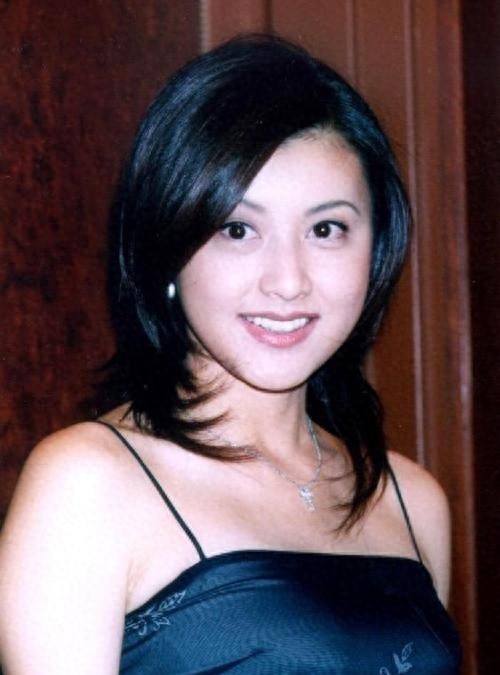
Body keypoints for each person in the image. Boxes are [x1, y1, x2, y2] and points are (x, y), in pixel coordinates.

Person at [0, 35, 461, 674]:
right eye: (237, 230)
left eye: (326, 229)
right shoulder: (88, 482)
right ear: (167, 246)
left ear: (376, 250)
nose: (288, 281)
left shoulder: (411, 499)